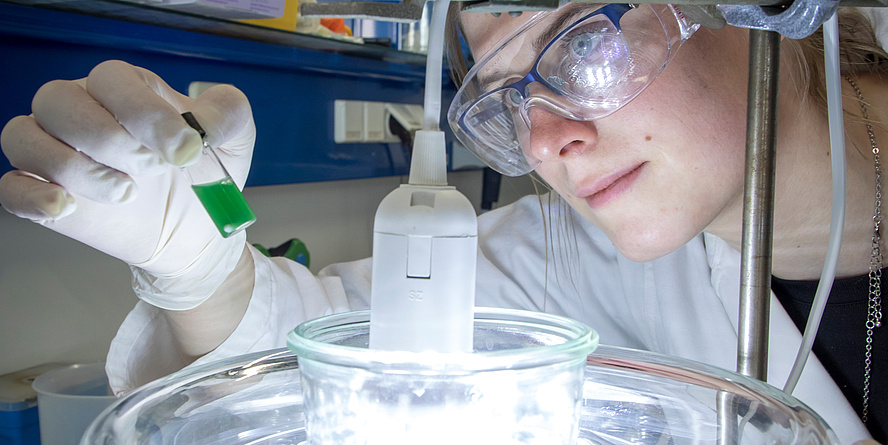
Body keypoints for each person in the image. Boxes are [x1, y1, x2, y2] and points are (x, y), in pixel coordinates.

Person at [0, 2, 885, 442]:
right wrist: (201, 269)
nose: (544, 144)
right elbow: (312, 348)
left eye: (585, 42)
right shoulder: (568, 255)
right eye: (508, 96)